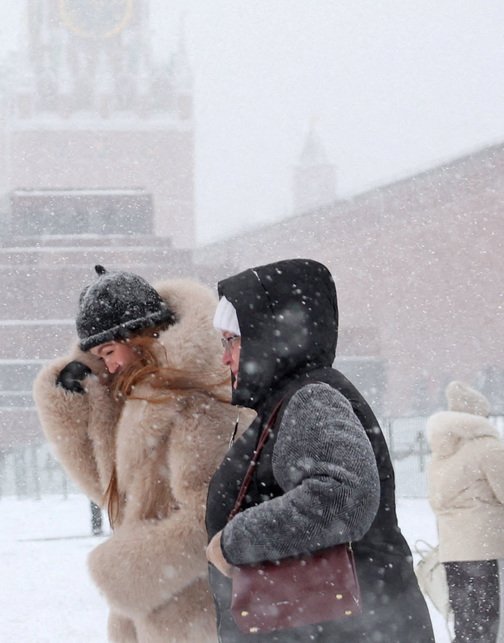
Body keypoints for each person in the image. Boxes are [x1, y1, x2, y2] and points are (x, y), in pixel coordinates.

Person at [204, 259, 432, 641]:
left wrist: (233, 542)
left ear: (267, 336)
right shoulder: (287, 401)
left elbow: (342, 497)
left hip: (342, 630)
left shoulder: (310, 399)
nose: (225, 357)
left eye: (232, 340)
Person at [34, 268, 242, 641]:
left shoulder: (195, 402)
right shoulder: (144, 400)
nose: (109, 365)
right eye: (100, 357)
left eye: (109, 352)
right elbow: (114, 495)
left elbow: (212, 518)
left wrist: (129, 571)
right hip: (159, 614)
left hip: (197, 615)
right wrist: (73, 409)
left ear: (139, 336)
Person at [427, 381, 504, 642]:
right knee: (488, 624)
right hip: (488, 550)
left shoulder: (441, 454)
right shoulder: (488, 447)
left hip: (452, 552)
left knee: (467, 626)